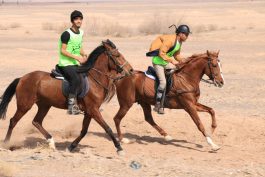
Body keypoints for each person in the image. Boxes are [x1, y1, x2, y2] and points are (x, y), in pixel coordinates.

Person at [147, 24, 191, 114]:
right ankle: (158, 104)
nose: (187, 37)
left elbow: (176, 55)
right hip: (158, 62)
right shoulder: (170, 40)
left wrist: (184, 60)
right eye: (186, 34)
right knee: (163, 82)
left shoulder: (179, 42)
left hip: (166, 62)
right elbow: (161, 53)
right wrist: (172, 61)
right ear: (181, 34)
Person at [58, 10, 87, 115]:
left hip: (75, 63)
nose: (78, 21)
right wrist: (77, 57)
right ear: (72, 21)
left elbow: (78, 47)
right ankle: (71, 107)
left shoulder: (81, 32)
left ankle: (85, 104)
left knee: (87, 76)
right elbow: (63, 50)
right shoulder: (66, 34)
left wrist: (84, 54)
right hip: (65, 63)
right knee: (75, 79)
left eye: (80, 19)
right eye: (76, 19)